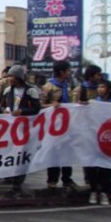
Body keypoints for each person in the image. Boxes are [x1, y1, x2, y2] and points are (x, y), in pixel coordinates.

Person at [0, 65, 41, 191]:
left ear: (19, 77)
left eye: (12, 76)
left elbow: (36, 109)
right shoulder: (8, 91)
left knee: (21, 155)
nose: (10, 78)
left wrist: (22, 111)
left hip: (23, 128)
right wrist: (4, 110)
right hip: (9, 128)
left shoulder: (31, 91)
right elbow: (1, 105)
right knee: (2, 154)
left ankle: (17, 182)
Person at [41, 60, 77, 190]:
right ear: (62, 72)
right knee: (53, 153)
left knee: (67, 153)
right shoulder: (48, 87)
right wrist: (51, 105)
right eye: (68, 70)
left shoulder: (68, 86)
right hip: (53, 127)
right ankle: (52, 180)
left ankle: (67, 179)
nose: (70, 72)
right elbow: (40, 105)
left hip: (67, 125)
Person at [84, 79, 111, 205]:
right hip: (93, 138)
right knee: (91, 164)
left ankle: (104, 192)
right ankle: (93, 190)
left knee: (106, 166)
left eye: (102, 86)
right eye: (99, 86)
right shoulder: (93, 103)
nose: (99, 89)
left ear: (109, 89)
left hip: (109, 139)